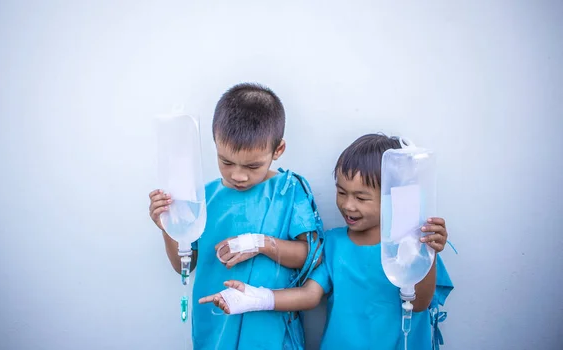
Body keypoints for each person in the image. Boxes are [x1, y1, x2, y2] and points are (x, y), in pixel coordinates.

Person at [200, 133, 454, 350]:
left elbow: (418, 303)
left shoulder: (410, 245)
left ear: (392, 197)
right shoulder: (333, 245)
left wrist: (426, 252)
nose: (347, 205)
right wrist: (256, 298)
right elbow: (310, 295)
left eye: (361, 197)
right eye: (341, 192)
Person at [149, 83, 323, 349]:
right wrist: (167, 226)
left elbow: (311, 256)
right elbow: (185, 264)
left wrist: (259, 244)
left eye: (253, 166)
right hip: (217, 329)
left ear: (278, 150)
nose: (238, 175)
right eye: (226, 162)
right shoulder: (202, 198)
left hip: (271, 332)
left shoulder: (289, 191)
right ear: (216, 144)